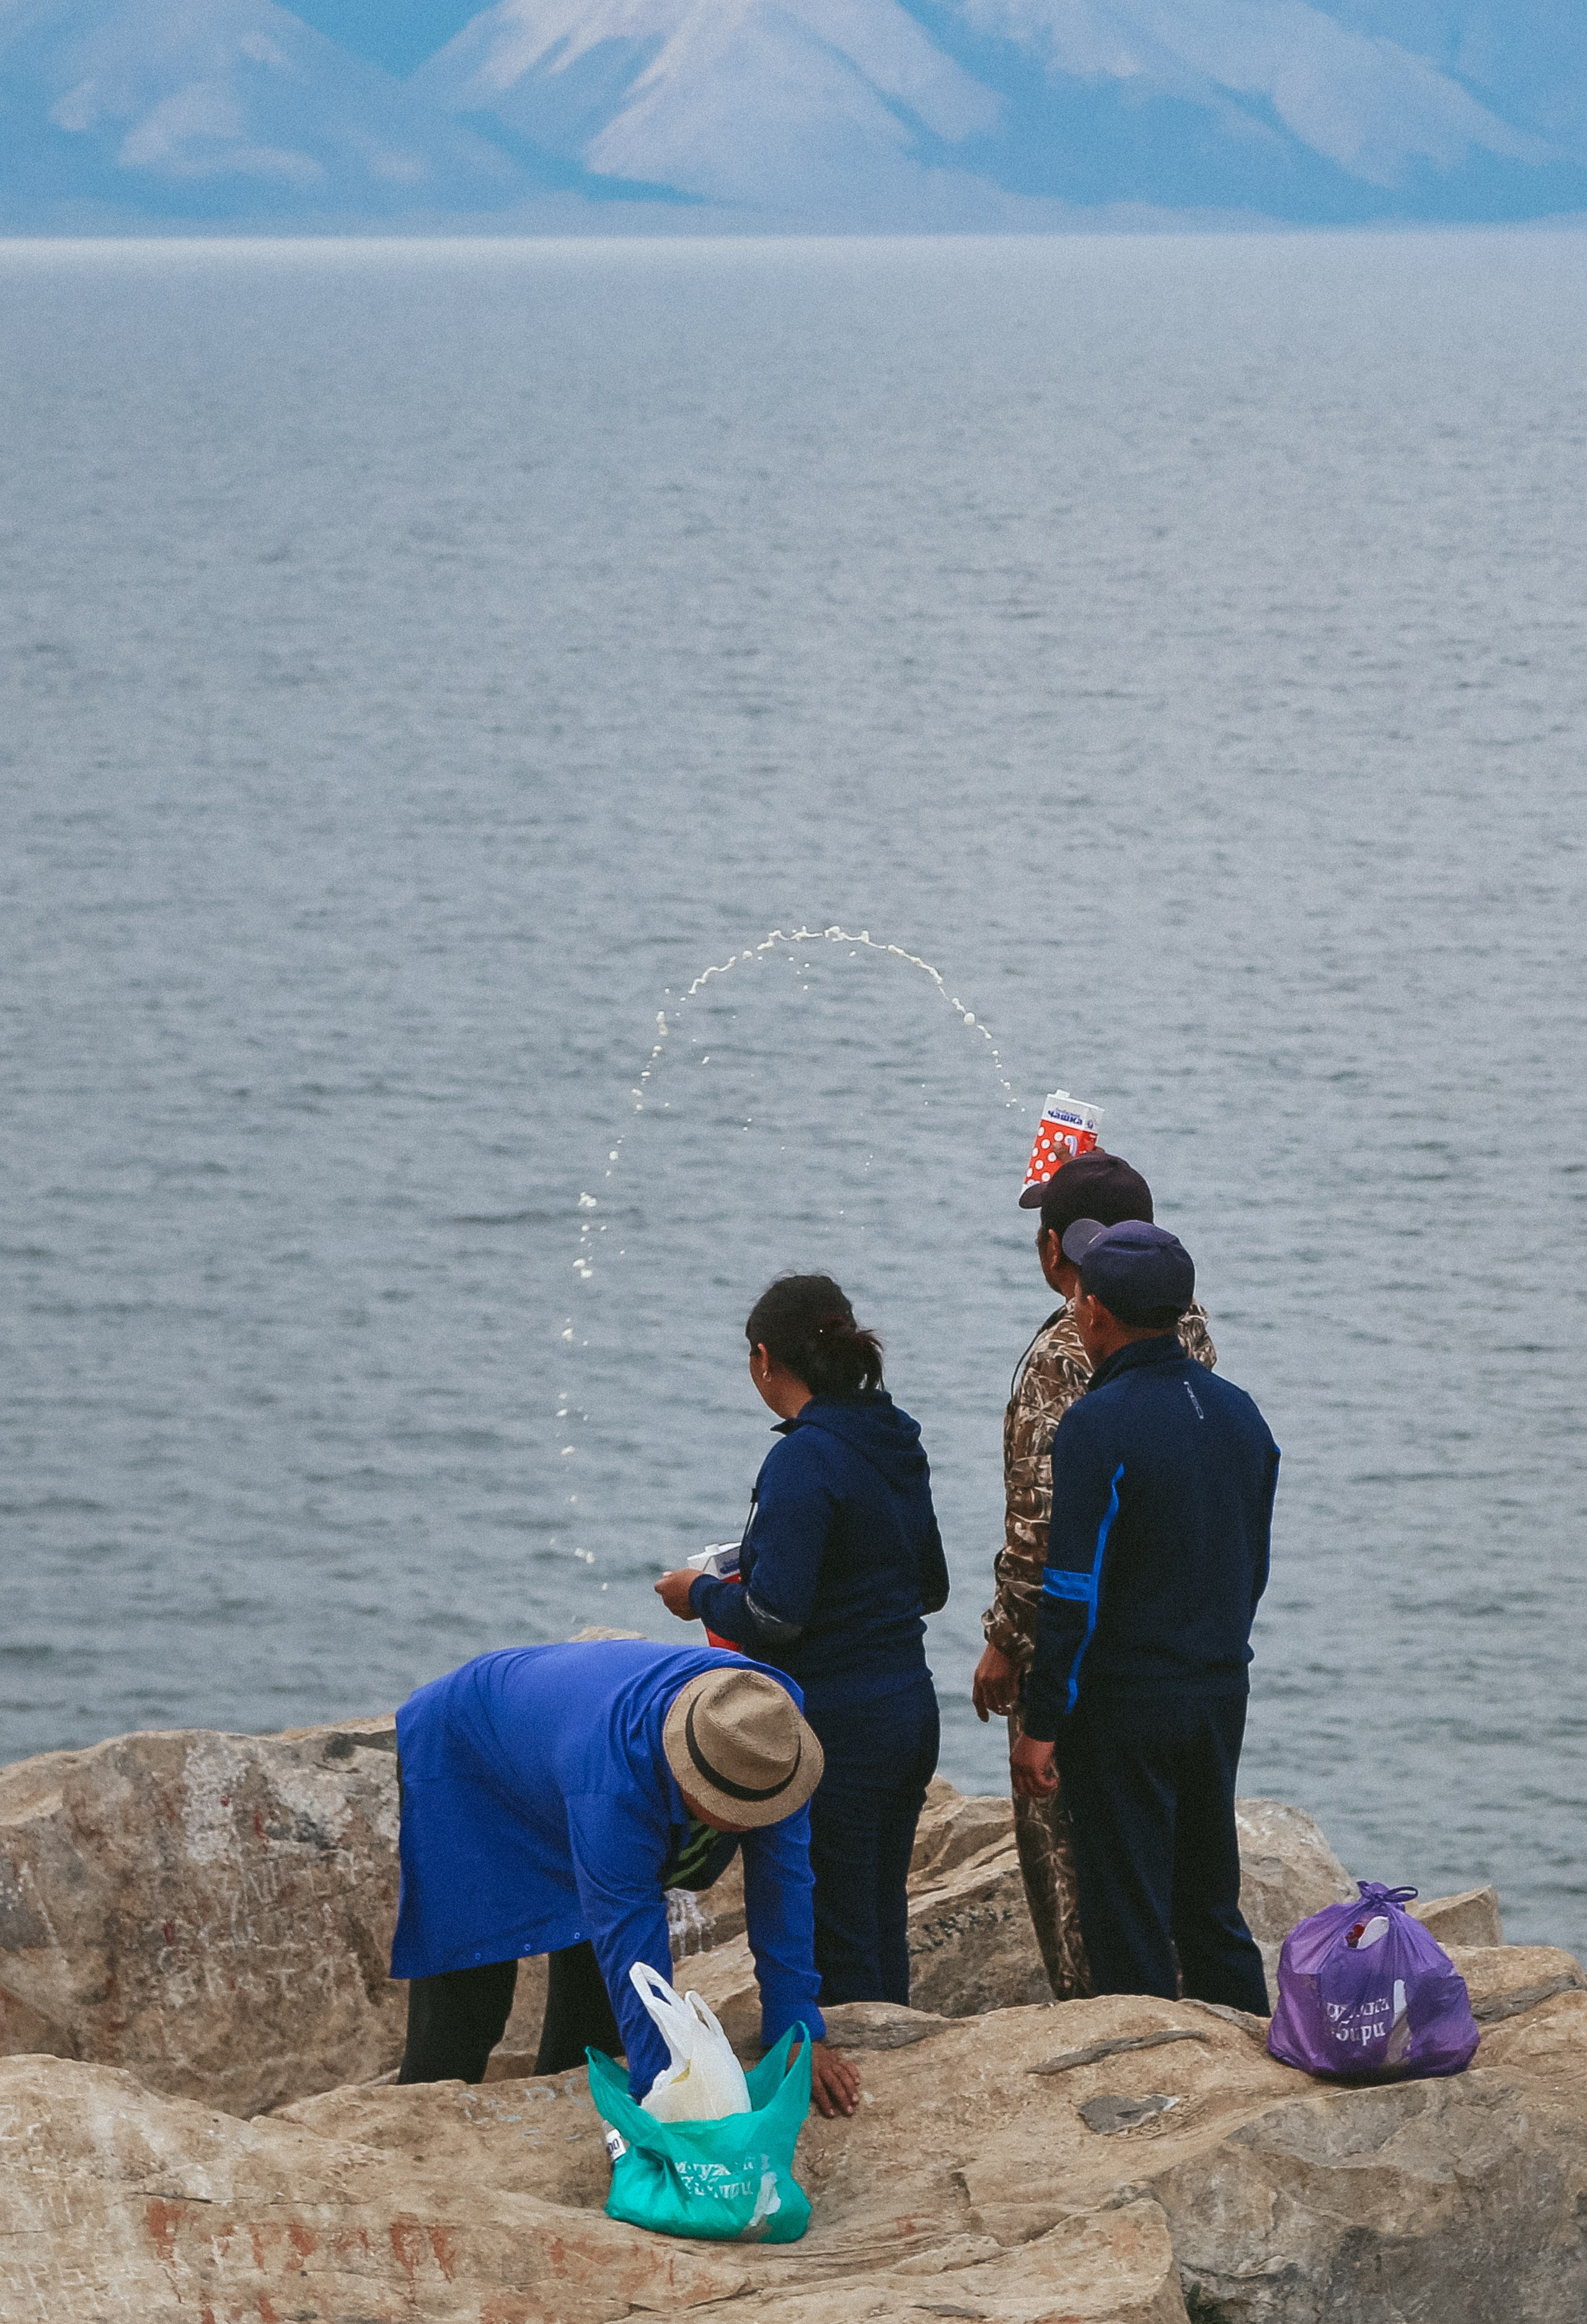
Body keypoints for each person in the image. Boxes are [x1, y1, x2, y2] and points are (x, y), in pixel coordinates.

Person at [390, 1637, 861, 2118]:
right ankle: (412, 2140)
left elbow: (785, 1877)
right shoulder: (614, 1789)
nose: (747, 1824)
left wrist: (794, 2027)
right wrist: (666, 2095)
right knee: (468, 1999)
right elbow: (631, 1941)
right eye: (729, 1811)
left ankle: (572, 2111)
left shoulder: (768, 1732)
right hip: (465, 1755)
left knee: (597, 2019)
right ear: (684, 1773)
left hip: (561, 1746)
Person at [656, 1275, 948, 2010]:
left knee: (835, 1929)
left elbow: (775, 1617)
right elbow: (932, 1584)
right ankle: (896, 2057)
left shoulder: (802, 1459)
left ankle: (854, 2091)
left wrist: (699, 1593)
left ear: (764, 1359)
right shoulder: (894, 1436)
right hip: (908, 1710)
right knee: (878, 1913)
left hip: (836, 1727)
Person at [1010, 1220, 1276, 2013]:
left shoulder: (1097, 1423)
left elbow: (1071, 1589)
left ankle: (1151, 2084)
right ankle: (1255, 2054)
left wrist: (1044, 1721)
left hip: (1127, 1702)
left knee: (1126, 1909)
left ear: (1092, 1312)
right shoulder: (1239, 1413)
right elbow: (1250, 1563)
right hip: (1219, 1687)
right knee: (1208, 1898)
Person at [973, 1151, 1216, 2002]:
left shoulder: (1057, 1358)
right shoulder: (1189, 1329)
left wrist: (1007, 1641)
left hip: (1077, 1656)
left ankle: (1102, 2026)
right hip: (1177, 1643)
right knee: (1172, 1867)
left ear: (1055, 1251)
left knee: (1074, 1869)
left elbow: (1042, 1529)